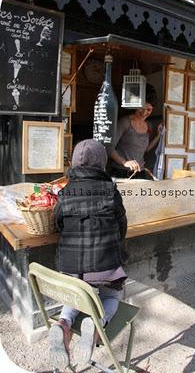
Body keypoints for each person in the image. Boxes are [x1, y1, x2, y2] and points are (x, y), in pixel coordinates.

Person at [49, 139, 128, 369]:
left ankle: (64, 323)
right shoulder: (110, 191)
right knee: (111, 297)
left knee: (76, 295)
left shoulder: (65, 192)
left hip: (71, 268)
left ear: (74, 162)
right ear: (102, 163)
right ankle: (97, 323)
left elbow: (58, 224)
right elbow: (122, 225)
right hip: (107, 265)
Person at [108, 102, 161, 178]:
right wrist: (124, 162)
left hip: (140, 172)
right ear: (135, 106)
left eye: (148, 110)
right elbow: (109, 147)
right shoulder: (125, 122)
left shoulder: (149, 125)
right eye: (141, 108)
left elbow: (145, 149)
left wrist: (158, 135)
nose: (144, 113)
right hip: (121, 171)